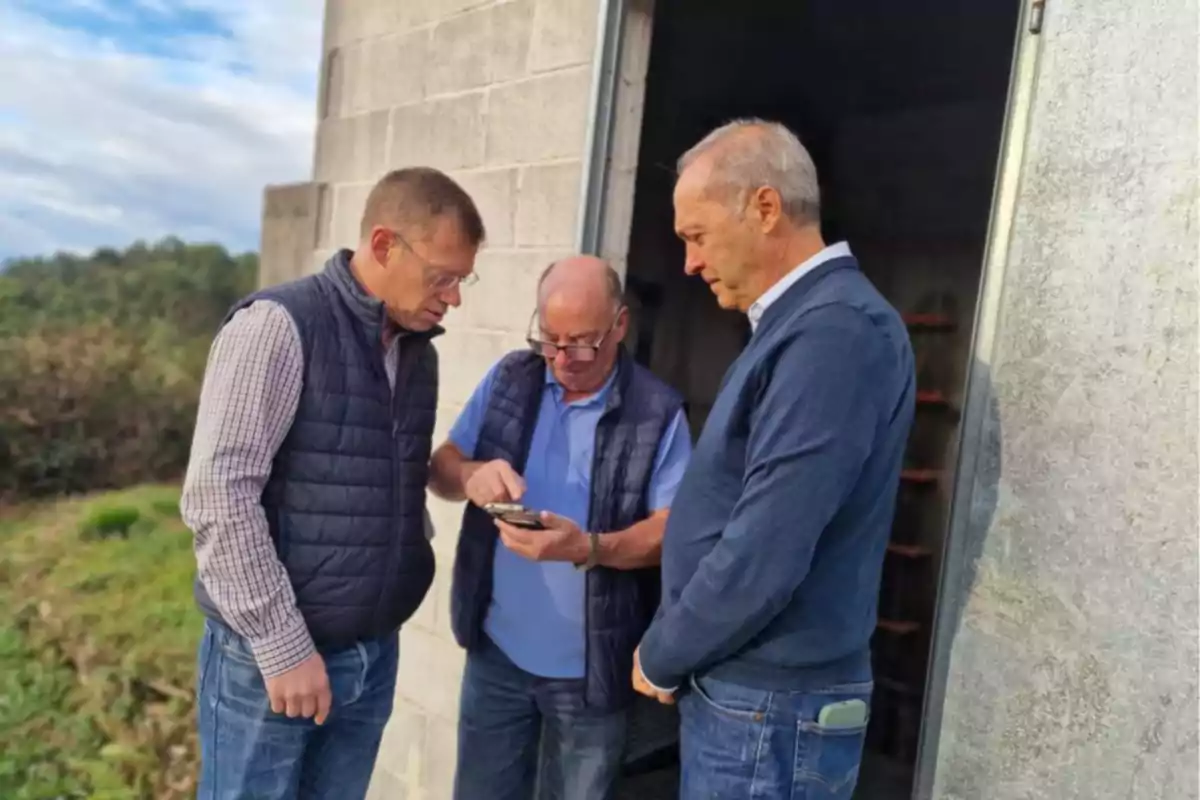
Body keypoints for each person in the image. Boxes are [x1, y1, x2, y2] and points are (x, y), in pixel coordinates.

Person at [632, 119, 917, 799]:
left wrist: (664, 652)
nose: (689, 264)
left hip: (772, 707)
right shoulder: (800, 325)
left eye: (695, 237)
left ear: (765, 208)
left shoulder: (833, 334)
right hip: (757, 700)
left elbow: (766, 547)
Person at [180, 167, 485, 800]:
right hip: (270, 665)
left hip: (370, 656)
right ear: (383, 245)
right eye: (443, 276)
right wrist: (283, 647)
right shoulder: (278, 326)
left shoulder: (416, 352)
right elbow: (218, 496)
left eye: (462, 279)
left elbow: (377, 479)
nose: (454, 297)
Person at [427, 255, 693, 800]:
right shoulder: (510, 377)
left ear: (620, 325)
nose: (563, 357)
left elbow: (673, 532)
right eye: (550, 338)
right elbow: (441, 468)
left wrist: (588, 547)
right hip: (495, 655)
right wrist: (472, 475)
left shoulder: (658, 412)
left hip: (591, 676)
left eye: (583, 341)